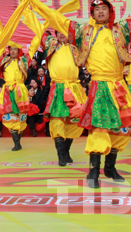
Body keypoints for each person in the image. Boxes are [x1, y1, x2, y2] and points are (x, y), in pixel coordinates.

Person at [32, 0, 131, 187]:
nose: (100, 12)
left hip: (119, 85)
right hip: (99, 85)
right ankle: (93, 171)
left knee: (121, 127)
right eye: (96, 9)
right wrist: (37, 5)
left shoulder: (122, 29)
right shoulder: (84, 31)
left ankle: (110, 166)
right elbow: (58, 20)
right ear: (92, 14)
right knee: (99, 127)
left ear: (110, 12)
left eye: (104, 9)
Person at [42, 30, 87, 166]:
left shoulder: (75, 47)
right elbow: (41, 34)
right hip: (58, 89)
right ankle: (61, 155)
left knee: (73, 120)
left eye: (65, 32)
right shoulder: (51, 45)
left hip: (74, 88)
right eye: (59, 32)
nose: (62, 35)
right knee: (57, 120)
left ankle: (66, 152)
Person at [0, 44, 29, 151]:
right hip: (8, 91)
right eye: (11, 49)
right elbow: (0, 49)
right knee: (10, 116)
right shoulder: (5, 61)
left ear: (18, 51)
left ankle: (18, 141)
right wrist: (3, 39)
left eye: (15, 50)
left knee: (21, 117)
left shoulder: (23, 61)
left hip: (20, 90)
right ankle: (16, 143)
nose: (13, 51)